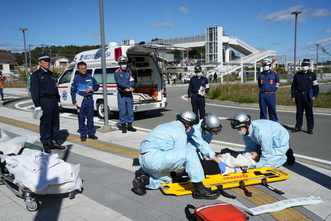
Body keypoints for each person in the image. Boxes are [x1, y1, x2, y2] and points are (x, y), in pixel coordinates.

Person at [132, 110, 220, 200]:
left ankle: (143, 181)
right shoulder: (180, 133)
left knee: (166, 180)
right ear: (187, 124)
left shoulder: (167, 125)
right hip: (156, 159)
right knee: (189, 153)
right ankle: (199, 189)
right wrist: (189, 171)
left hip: (144, 160)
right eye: (192, 124)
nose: (192, 127)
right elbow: (182, 158)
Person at [228, 112, 295, 168]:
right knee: (256, 156)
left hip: (279, 138)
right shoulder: (247, 132)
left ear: (246, 125)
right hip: (268, 136)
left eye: (239, 128)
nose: (239, 130)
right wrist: (245, 158)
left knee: (268, 164)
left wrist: (256, 166)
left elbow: (267, 152)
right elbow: (250, 147)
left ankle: (286, 154)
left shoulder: (260, 132)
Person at [30, 54, 65, 153]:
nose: (47, 63)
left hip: (53, 100)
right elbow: (34, 90)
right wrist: (37, 105)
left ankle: (54, 141)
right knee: (46, 122)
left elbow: (55, 87)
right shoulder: (36, 75)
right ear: (39, 63)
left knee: (55, 122)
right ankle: (46, 143)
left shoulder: (51, 74)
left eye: (48, 61)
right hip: (44, 101)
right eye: (45, 61)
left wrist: (58, 100)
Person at [71, 61, 100, 141]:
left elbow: (97, 86)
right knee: (81, 118)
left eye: (85, 68)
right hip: (81, 101)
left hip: (89, 100)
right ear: (78, 69)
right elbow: (72, 91)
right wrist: (74, 101)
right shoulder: (76, 79)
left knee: (90, 117)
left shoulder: (90, 78)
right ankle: (83, 134)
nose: (84, 70)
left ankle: (91, 133)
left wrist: (92, 88)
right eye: (82, 69)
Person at [291, 59, 319, 134]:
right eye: (303, 65)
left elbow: (315, 86)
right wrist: (293, 95)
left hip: (308, 95)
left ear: (309, 66)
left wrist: (315, 95)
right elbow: (293, 86)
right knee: (299, 113)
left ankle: (310, 129)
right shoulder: (297, 75)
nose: (304, 67)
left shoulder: (312, 75)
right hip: (299, 95)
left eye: (306, 65)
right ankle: (298, 127)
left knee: (309, 113)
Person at [114, 55, 137, 133]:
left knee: (130, 110)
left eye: (125, 62)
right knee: (122, 110)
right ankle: (123, 126)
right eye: (122, 63)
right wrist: (126, 87)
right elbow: (119, 82)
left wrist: (130, 87)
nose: (124, 64)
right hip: (122, 94)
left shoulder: (129, 71)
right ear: (120, 63)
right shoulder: (117, 72)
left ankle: (130, 125)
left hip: (129, 94)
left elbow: (132, 80)